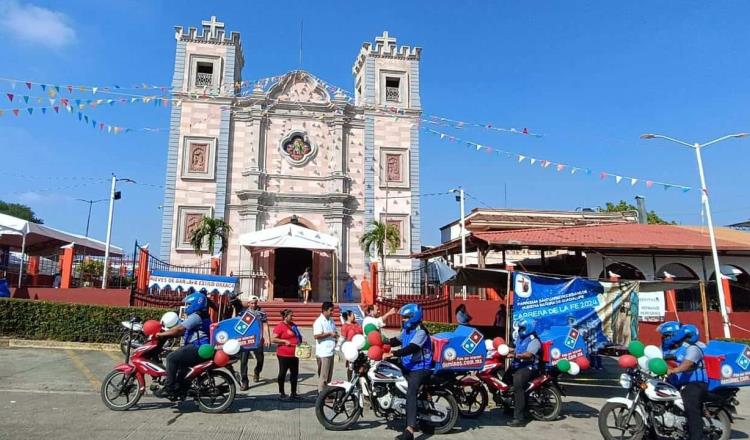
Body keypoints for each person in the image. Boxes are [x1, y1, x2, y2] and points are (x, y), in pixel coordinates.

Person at [382, 304, 433, 440]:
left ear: (413, 317)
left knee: (411, 392)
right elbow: (396, 340)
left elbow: (412, 348)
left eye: (405, 317)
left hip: (420, 368)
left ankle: (410, 430)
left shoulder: (421, 331)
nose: (403, 320)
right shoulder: (407, 329)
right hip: (408, 365)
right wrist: (382, 342)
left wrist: (394, 353)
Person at [154, 292, 212, 399]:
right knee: (181, 363)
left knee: (171, 358)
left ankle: (169, 387)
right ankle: (180, 389)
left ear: (196, 303)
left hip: (197, 347)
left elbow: (179, 329)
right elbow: (180, 328)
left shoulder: (196, 317)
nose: (187, 307)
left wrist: (160, 334)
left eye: (189, 304)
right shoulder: (203, 315)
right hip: (199, 347)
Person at [662, 323, 707, 440]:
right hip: (682, 382)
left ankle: (696, 437)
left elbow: (687, 364)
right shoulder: (681, 348)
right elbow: (672, 358)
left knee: (691, 407)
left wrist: (674, 370)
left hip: (696, 383)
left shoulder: (694, 348)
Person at [503, 318, 542, 427]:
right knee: (505, 380)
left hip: (530, 367)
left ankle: (519, 418)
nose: (520, 329)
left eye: (522, 328)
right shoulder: (521, 338)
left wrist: (515, 355)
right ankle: (508, 406)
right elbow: (516, 349)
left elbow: (528, 355)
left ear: (529, 328)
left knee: (518, 383)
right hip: (518, 365)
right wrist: (505, 349)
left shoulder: (534, 340)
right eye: (519, 327)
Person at [238, 295, 271, 391]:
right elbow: (237, 325)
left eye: (255, 303)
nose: (254, 305)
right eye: (252, 303)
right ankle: (244, 382)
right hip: (245, 339)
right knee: (243, 361)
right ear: (248, 303)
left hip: (257, 339)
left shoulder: (262, 312)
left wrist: (267, 338)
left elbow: (265, 324)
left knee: (260, 359)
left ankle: (257, 371)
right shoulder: (243, 312)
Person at [272, 308, 302, 400]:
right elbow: (274, 339)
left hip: (294, 354)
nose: (292, 317)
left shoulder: (293, 325)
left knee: (294, 374)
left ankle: (293, 393)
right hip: (283, 354)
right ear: (285, 317)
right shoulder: (280, 326)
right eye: (291, 315)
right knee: (282, 374)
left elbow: (297, 336)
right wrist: (284, 341)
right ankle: (282, 393)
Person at [313, 301, 338, 393]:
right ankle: (321, 393)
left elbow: (334, 331)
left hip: (330, 350)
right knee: (323, 375)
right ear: (324, 310)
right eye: (330, 310)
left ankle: (326, 392)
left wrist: (335, 335)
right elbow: (316, 336)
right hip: (323, 352)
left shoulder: (331, 320)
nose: (332, 312)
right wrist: (329, 334)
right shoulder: (319, 322)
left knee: (329, 375)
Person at [341, 310, 364, 381]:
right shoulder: (345, 326)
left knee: (360, 366)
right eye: (353, 315)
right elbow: (343, 338)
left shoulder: (356, 324)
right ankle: (350, 381)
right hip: (351, 350)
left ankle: (359, 381)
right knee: (350, 367)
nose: (354, 316)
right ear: (348, 316)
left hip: (359, 349)